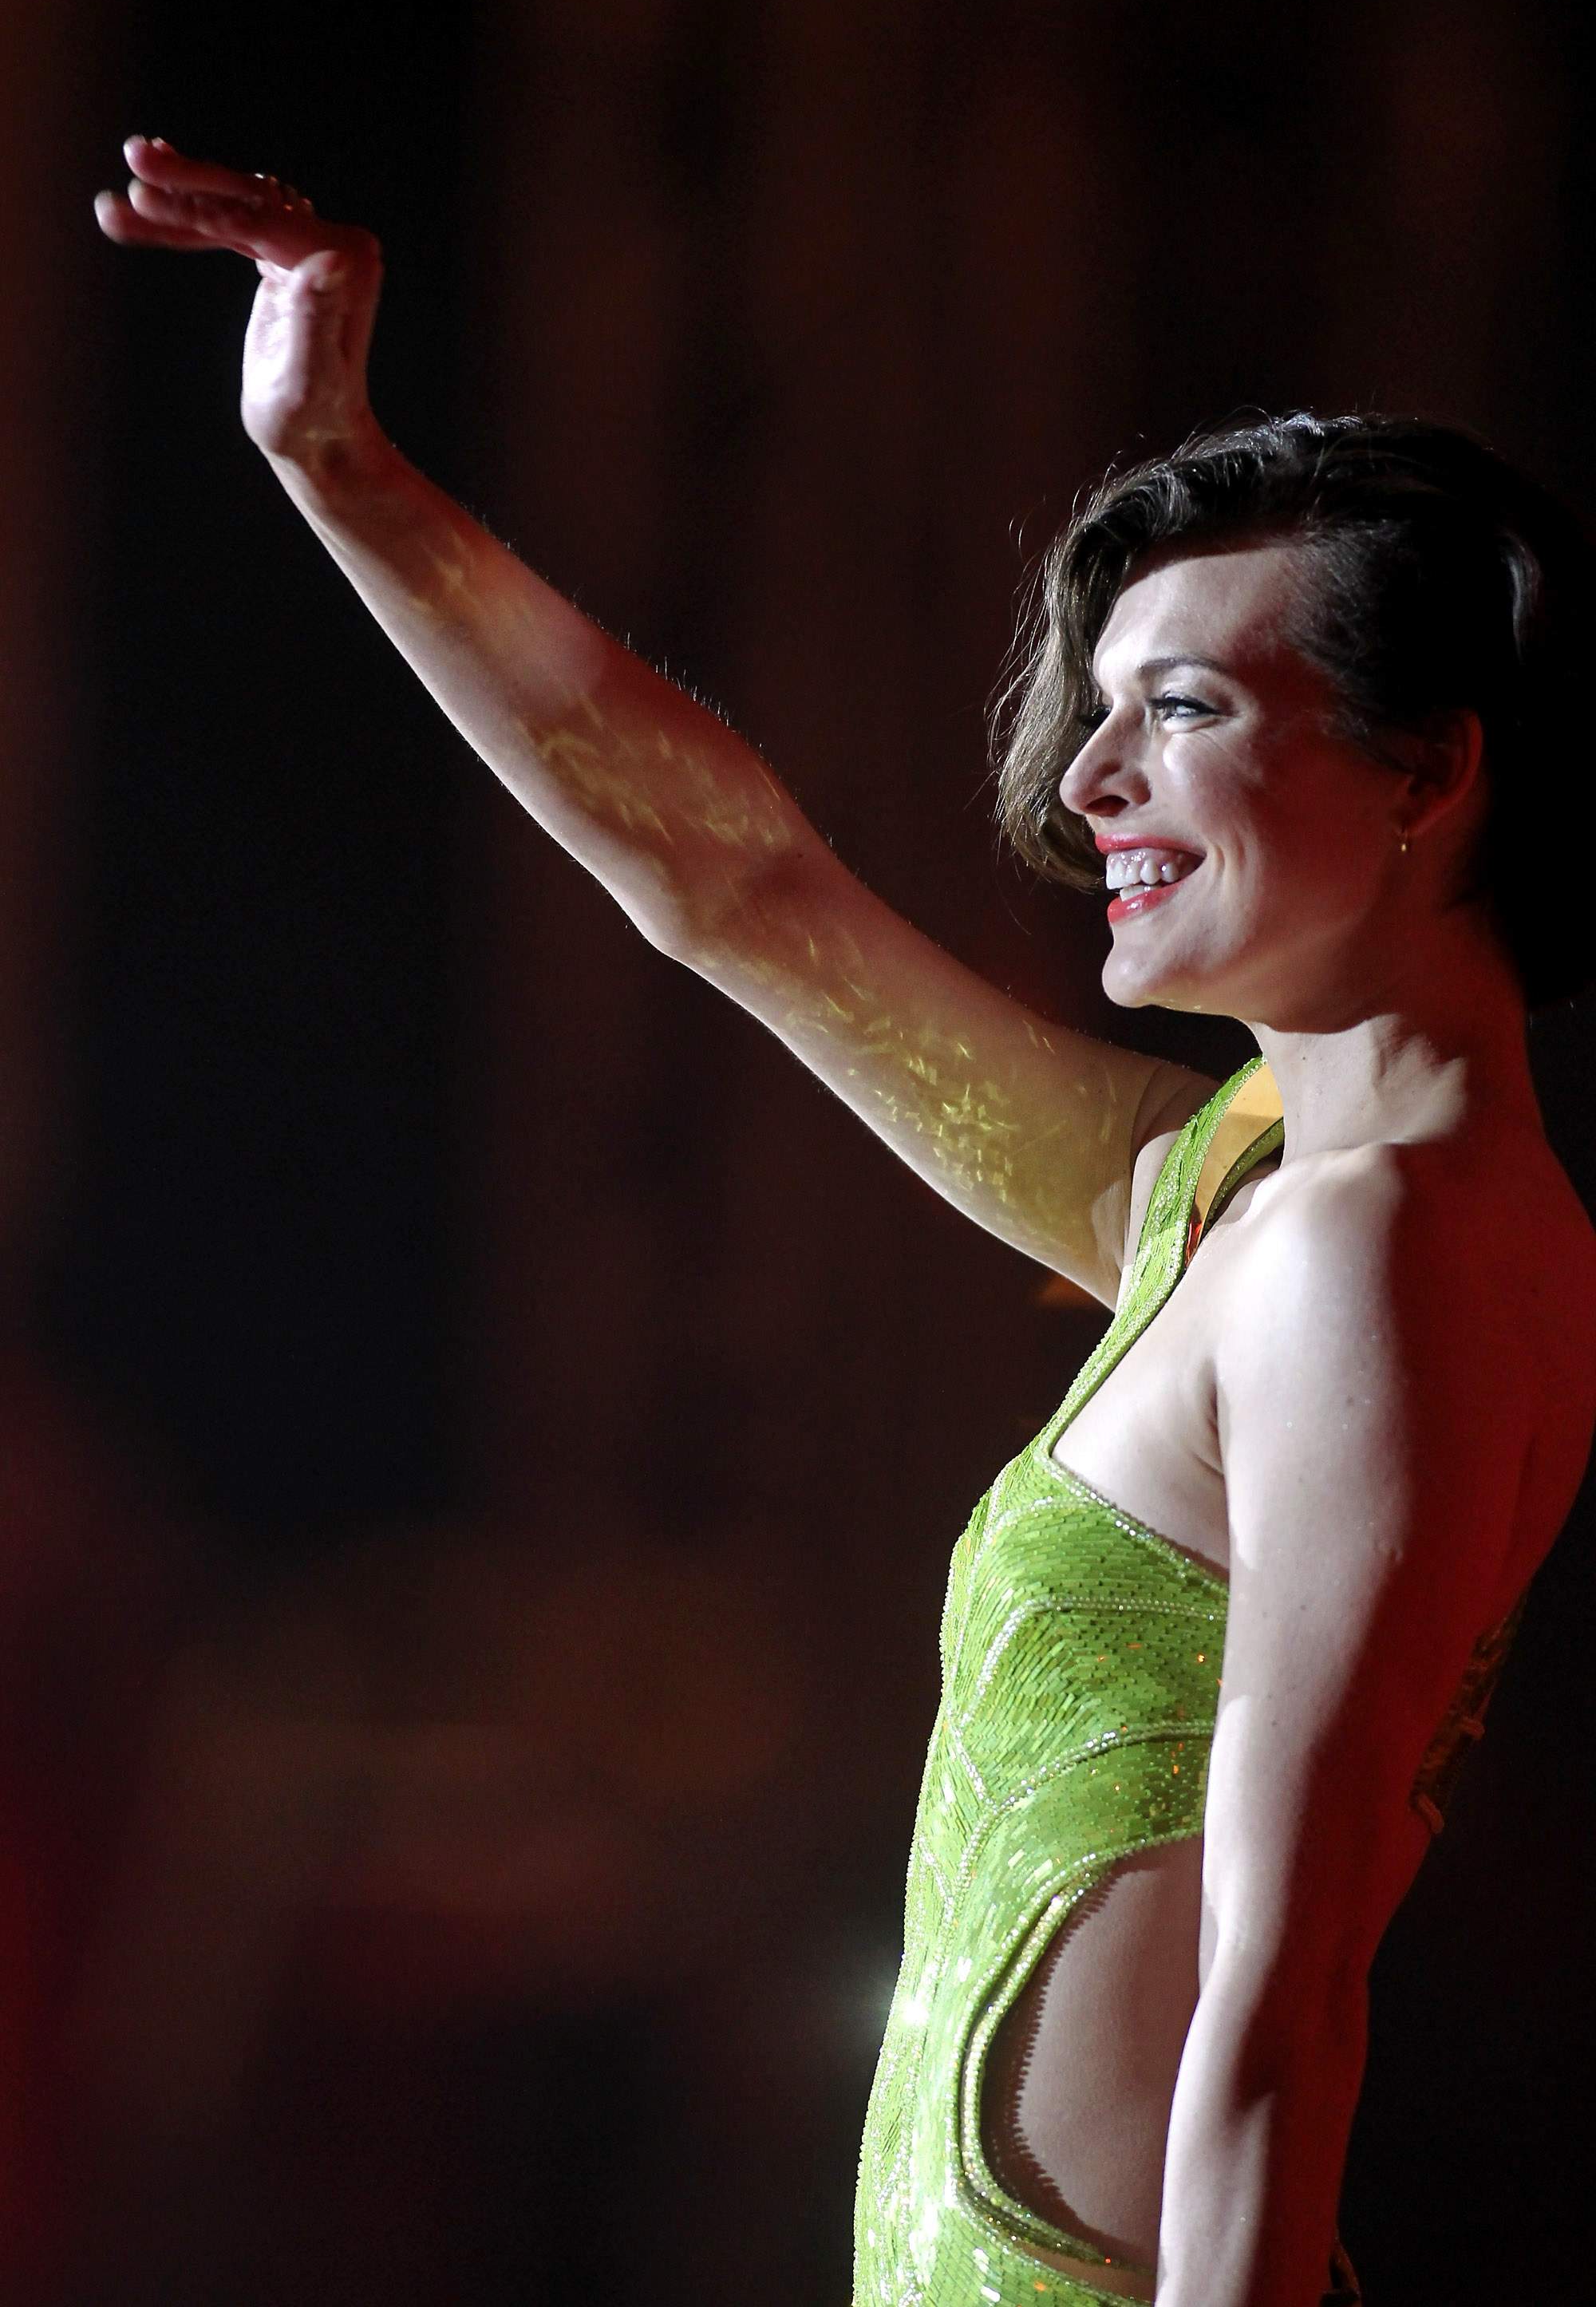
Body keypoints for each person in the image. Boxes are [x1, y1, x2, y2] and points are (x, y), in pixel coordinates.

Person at [95, 138, 1596, 2307]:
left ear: (1427, 773)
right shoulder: (1245, 1186)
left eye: (1180, 711)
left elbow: (1287, 2000)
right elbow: (739, 889)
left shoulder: (1389, 1248)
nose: (1089, 783)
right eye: (1100, 708)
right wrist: (336, 461)